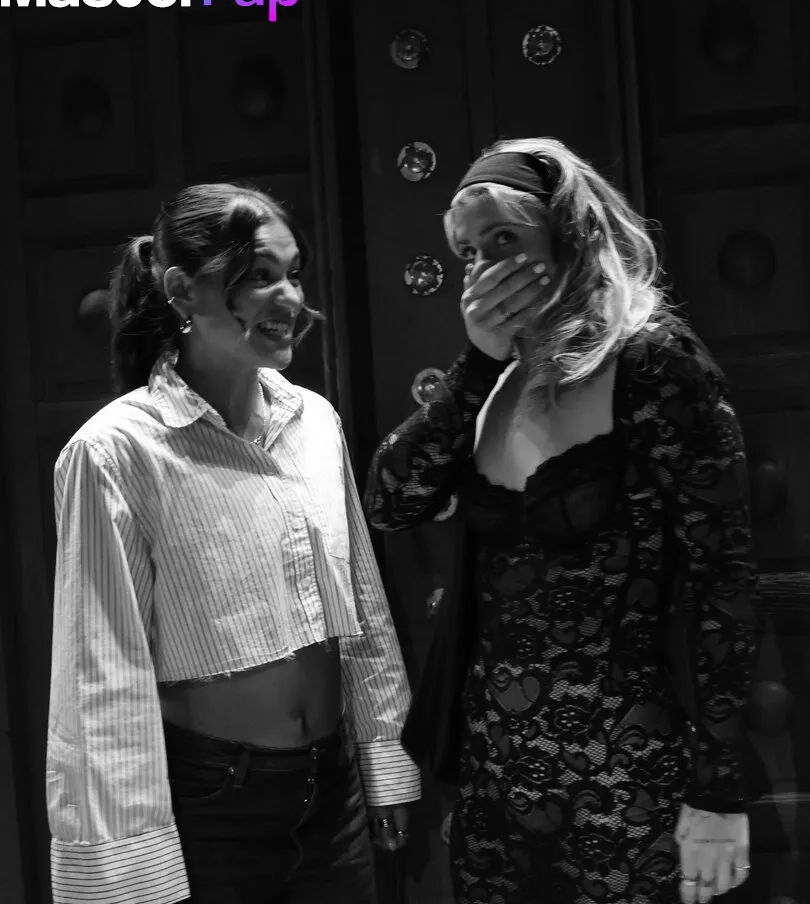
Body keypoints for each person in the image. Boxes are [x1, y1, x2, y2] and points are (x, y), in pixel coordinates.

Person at [364, 139, 758, 904]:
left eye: (503, 240)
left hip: (628, 775)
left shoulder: (653, 360)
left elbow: (724, 580)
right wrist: (477, 364)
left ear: (569, 236)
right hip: (495, 786)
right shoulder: (495, 380)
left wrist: (719, 788)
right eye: (469, 253)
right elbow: (390, 500)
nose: (482, 269)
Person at [47, 182, 420, 904]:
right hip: (215, 803)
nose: (290, 298)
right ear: (182, 291)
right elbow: (102, 671)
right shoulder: (115, 451)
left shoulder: (314, 420)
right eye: (259, 276)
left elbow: (360, 602)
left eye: (294, 273)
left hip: (332, 791)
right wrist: (130, 864)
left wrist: (384, 755)